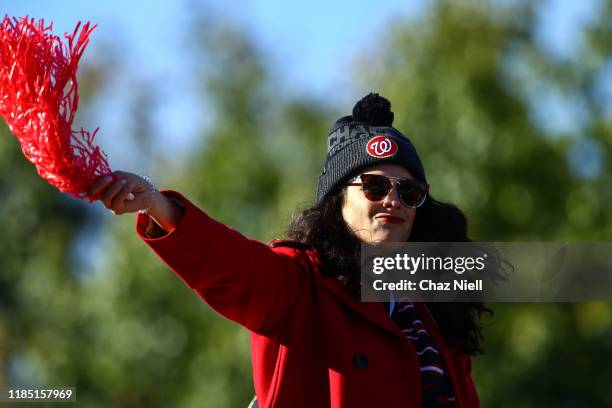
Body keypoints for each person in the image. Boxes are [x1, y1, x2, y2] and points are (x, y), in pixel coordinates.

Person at [88, 93, 489, 407]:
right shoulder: (300, 283)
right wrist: (156, 204)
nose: (393, 201)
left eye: (409, 192)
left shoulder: (435, 306)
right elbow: (230, 265)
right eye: (375, 187)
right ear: (338, 200)